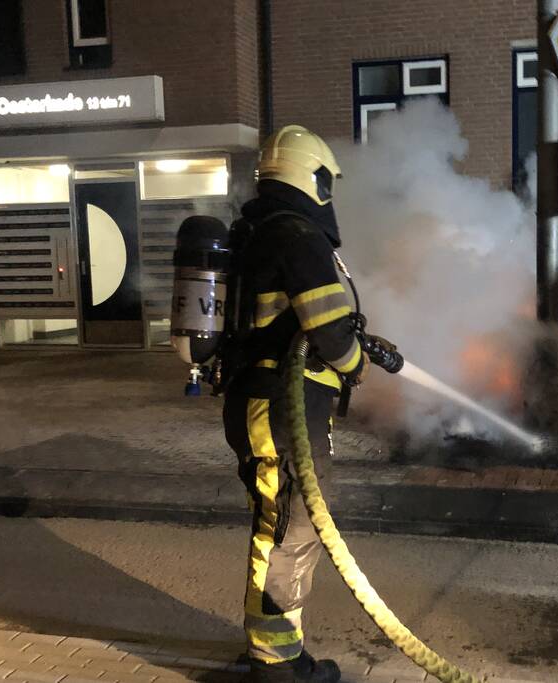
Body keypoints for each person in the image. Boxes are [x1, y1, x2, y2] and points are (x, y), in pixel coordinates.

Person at [222, 125, 367, 683]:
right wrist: (356, 363)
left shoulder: (255, 231)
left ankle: (277, 649)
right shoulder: (297, 235)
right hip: (281, 412)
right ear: (312, 177)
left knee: (278, 525)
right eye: (327, 181)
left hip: (261, 405)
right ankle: (277, 663)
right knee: (290, 531)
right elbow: (329, 331)